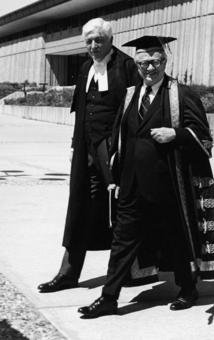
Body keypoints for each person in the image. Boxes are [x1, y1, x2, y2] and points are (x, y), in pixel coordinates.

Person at [77, 35, 214, 318]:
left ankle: (187, 289)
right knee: (122, 242)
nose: (150, 68)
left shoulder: (182, 95)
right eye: (144, 62)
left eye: (155, 61)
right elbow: (117, 138)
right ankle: (109, 297)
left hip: (169, 186)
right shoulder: (131, 94)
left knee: (176, 238)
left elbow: (205, 140)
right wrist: (113, 177)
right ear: (136, 64)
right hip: (132, 186)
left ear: (165, 61)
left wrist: (177, 134)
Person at [38, 18, 141, 293]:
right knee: (80, 209)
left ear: (110, 40)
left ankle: (131, 270)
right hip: (87, 149)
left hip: (116, 150)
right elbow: (81, 112)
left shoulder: (126, 65)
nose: (93, 46)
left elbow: (136, 111)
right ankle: (68, 273)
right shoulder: (85, 68)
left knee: (121, 210)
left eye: (99, 40)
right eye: (89, 41)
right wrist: (75, 146)